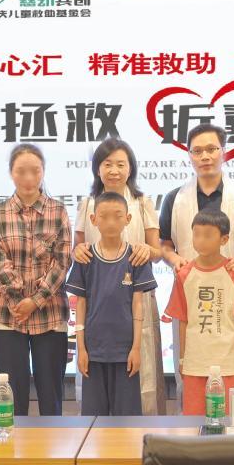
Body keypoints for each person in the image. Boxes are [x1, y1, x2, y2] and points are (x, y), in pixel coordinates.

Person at [159, 123, 234, 405]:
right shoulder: (174, 198)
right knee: (190, 371)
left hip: (228, 292)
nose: (205, 156)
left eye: (211, 149)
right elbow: (164, 244)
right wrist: (174, 258)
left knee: (229, 378)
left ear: (223, 152)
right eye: (197, 151)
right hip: (189, 292)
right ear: (189, 155)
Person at [71, 138, 166, 414]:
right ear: (97, 169)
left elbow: (157, 251)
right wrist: (77, 251)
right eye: (107, 164)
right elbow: (77, 248)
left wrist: (146, 250)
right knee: (95, 384)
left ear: (130, 168)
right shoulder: (87, 204)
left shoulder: (142, 203)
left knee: (140, 373)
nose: (114, 170)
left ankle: (141, 431)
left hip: (135, 295)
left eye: (121, 164)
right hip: (97, 298)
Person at [0, 144, 73, 416]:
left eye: (35, 171)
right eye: (21, 171)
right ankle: (14, 444)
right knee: (13, 398)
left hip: (50, 314)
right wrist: (18, 299)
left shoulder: (58, 211)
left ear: (43, 171)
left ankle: (52, 444)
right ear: (11, 173)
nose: (28, 178)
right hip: (8, 315)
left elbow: (62, 262)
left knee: (51, 396)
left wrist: (34, 301)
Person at [64, 192, 157, 416]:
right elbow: (80, 305)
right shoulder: (85, 257)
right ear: (93, 220)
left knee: (128, 420)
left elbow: (138, 306)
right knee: (94, 419)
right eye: (104, 217)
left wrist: (136, 349)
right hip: (93, 351)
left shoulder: (135, 257)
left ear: (128, 219)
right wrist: (81, 349)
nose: (111, 222)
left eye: (117, 216)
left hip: (125, 352)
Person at [165, 210, 234, 416]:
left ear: (224, 239)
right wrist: (182, 359)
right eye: (196, 234)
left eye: (207, 235)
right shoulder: (184, 274)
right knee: (195, 422)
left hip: (229, 362)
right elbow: (182, 320)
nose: (200, 240)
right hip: (196, 362)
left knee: (230, 420)